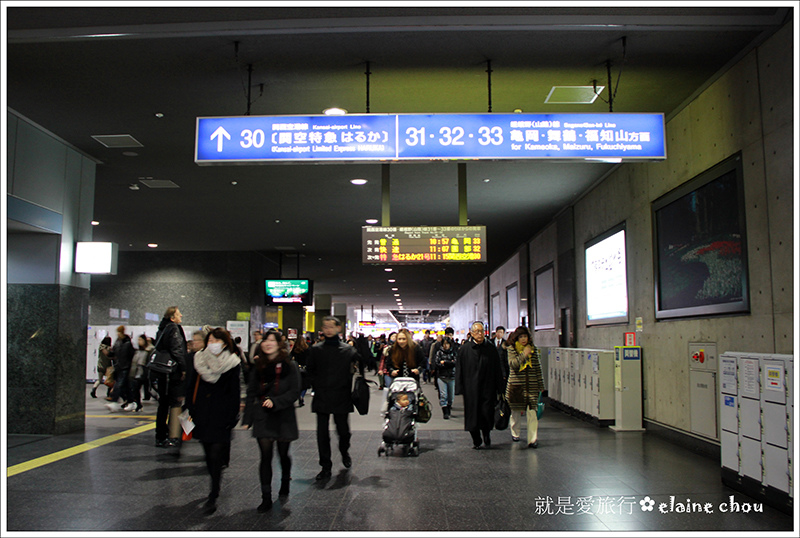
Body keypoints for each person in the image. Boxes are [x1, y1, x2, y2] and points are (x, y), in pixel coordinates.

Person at [243, 329, 301, 512]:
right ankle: (266, 497)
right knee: (265, 456)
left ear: (279, 344)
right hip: (263, 416)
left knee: (283, 454)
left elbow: (294, 391)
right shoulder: (258, 365)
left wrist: (276, 402)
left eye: (271, 340)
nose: (267, 343)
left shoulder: (289, 365)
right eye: (265, 340)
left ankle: (285, 481)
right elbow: (251, 391)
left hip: (283, 415)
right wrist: (248, 418)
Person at [186, 327, 241, 515]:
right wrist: (190, 408)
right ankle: (214, 481)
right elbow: (191, 385)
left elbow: (234, 392)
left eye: (216, 341)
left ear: (225, 343)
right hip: (202, 413)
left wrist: (233, 416)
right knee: (208, 453)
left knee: (216, 453)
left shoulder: (232, 363)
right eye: (210, 341)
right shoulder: (198, 359)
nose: (212, 344)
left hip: (221, 415)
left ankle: (213, 492)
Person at [305, 316, 362, 481]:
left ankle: (344, 450)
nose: (328, 330)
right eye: (325, 327)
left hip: (341, 396)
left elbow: (363, 362)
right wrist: (315, 384)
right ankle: (325, 466)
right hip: (322, 395)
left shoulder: (348, 350)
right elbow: (310, 371)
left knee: (343, 431)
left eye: (331, 327)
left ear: (339, 328)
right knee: (322, 433)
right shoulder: (316, 350)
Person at [455, 321, 504, 450]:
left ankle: (486, 434)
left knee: (487, 413)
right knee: (472, 415)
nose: (479, 334)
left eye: (481, 331)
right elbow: (459, 369)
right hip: (471, 389)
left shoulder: (490, 348)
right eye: (476, 331)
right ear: (471, 333)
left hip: (488, 387)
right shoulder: (465, 349)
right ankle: (476, 439)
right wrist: (459, 387)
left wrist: (500, 387)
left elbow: (497, 368)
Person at [152, 306, 188, 449]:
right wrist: (184, 368)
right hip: (171, 372)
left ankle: (162, 434)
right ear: (172, 317)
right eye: (179, 314)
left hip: (163, 371)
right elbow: (177, 349)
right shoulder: (173, 328)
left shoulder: (162, 328)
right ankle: (170, 435)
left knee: (163, 404)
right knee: (173, 403)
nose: (181, 316)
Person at [505, 326, 544, 448]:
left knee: (532, 413)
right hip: (516, 386)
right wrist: (523, 355)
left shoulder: (533, 349)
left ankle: (532, 439)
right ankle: (515, 433)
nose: (523, 339)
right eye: (521, 337)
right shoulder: (512, 349)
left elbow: (538, 368)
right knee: (515, 412)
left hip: (531, 385)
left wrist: (541, 385)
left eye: (525, 336)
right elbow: (513, 364)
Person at [105, 326, 135, 411]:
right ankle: (131, 402)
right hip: (118, 367)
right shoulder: (117, 343)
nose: (117, 334)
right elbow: (114, 353)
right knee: (125, 386)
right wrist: (108, 353)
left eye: (119, 332)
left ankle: (114, 402)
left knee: (118, 384)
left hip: (125, 367)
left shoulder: (128, 344)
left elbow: (131, 355)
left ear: (122, 332)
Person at [123, 334, 152, 412]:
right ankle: (138, 404)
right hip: (137, 372)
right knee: (135, 389)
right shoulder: (137, 351)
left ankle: (138, 403)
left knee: (145, 389)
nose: (139, 342)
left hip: (143, 372)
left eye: (141, 340)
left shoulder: (148, 351)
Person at [435, 337, 458, 419]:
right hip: (442, 377)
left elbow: (455, 363)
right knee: (443, 395)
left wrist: (444, 362)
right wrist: (449, 363)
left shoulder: (454, 352)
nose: (446, 346)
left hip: (451, 376)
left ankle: (449, 408)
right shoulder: (439, 353)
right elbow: (437, 364)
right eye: (444, 344)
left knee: (451, 397)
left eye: (447, 344)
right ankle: (445, 412)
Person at [290, 334, 311, 407]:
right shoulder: (307, 348)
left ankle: (299, 395)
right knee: (305, 384)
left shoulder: (295, 349)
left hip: (296, 368)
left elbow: (290, 356)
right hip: (305, 368)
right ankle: (302, 395)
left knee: (298, 383)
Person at [492, 326, 510, 390]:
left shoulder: (506, 343)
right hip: (492, 368)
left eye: (501, 332)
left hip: (502, 369)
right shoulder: (490, 342)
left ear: (503, 334)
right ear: (496, 333)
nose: (499, 334)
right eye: (498, 332)